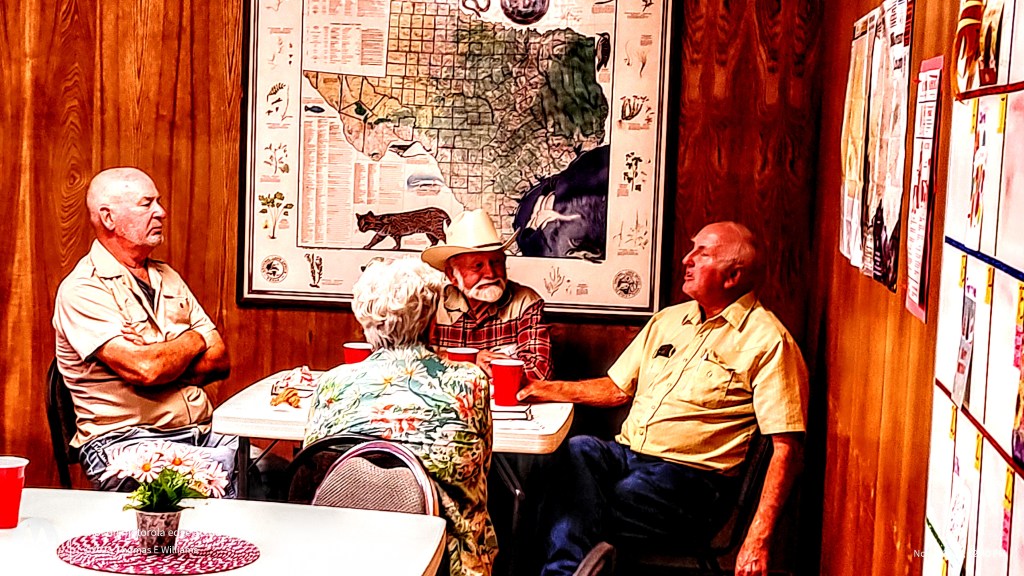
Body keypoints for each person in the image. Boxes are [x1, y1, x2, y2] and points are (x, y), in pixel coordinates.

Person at [518, 222, 808, 576]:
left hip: (691, 480)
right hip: (627, 455)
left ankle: (562, 571)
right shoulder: (668, 320)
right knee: (577, 452)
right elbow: (616, 389)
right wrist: (540, 388)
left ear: (732, 276)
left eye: (702, 253)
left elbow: (787, 449)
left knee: (567, 500)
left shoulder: (768, 340)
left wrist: (758, 540)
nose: (687, 259)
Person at [305, 257, 498, 576]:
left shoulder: (331, 384)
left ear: (365, 324)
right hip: (443, 564)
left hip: (340, 556)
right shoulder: (469, 382)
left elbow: (314, 474)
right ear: (431, 322)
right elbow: (480, 473)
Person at [52, 167, 236, 493]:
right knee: (237, 479)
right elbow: (146, 369)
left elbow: (219, 359)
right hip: (125, 444)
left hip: (201, 432)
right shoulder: (82, 289)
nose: (161, 212)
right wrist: (193, 339)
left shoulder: (167, 276)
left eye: (158, 202)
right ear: (108, 218)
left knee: (286, 473)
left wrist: (166, 360)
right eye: (146, 203)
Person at [421, 209, 552, 380]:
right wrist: (469, 362)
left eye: (496, 262)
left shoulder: (525, 302)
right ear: (452, 275)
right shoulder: (431, 304)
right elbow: (409, 363)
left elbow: (539, 372)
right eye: (477, 266)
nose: (491, 273)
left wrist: (451, 365)